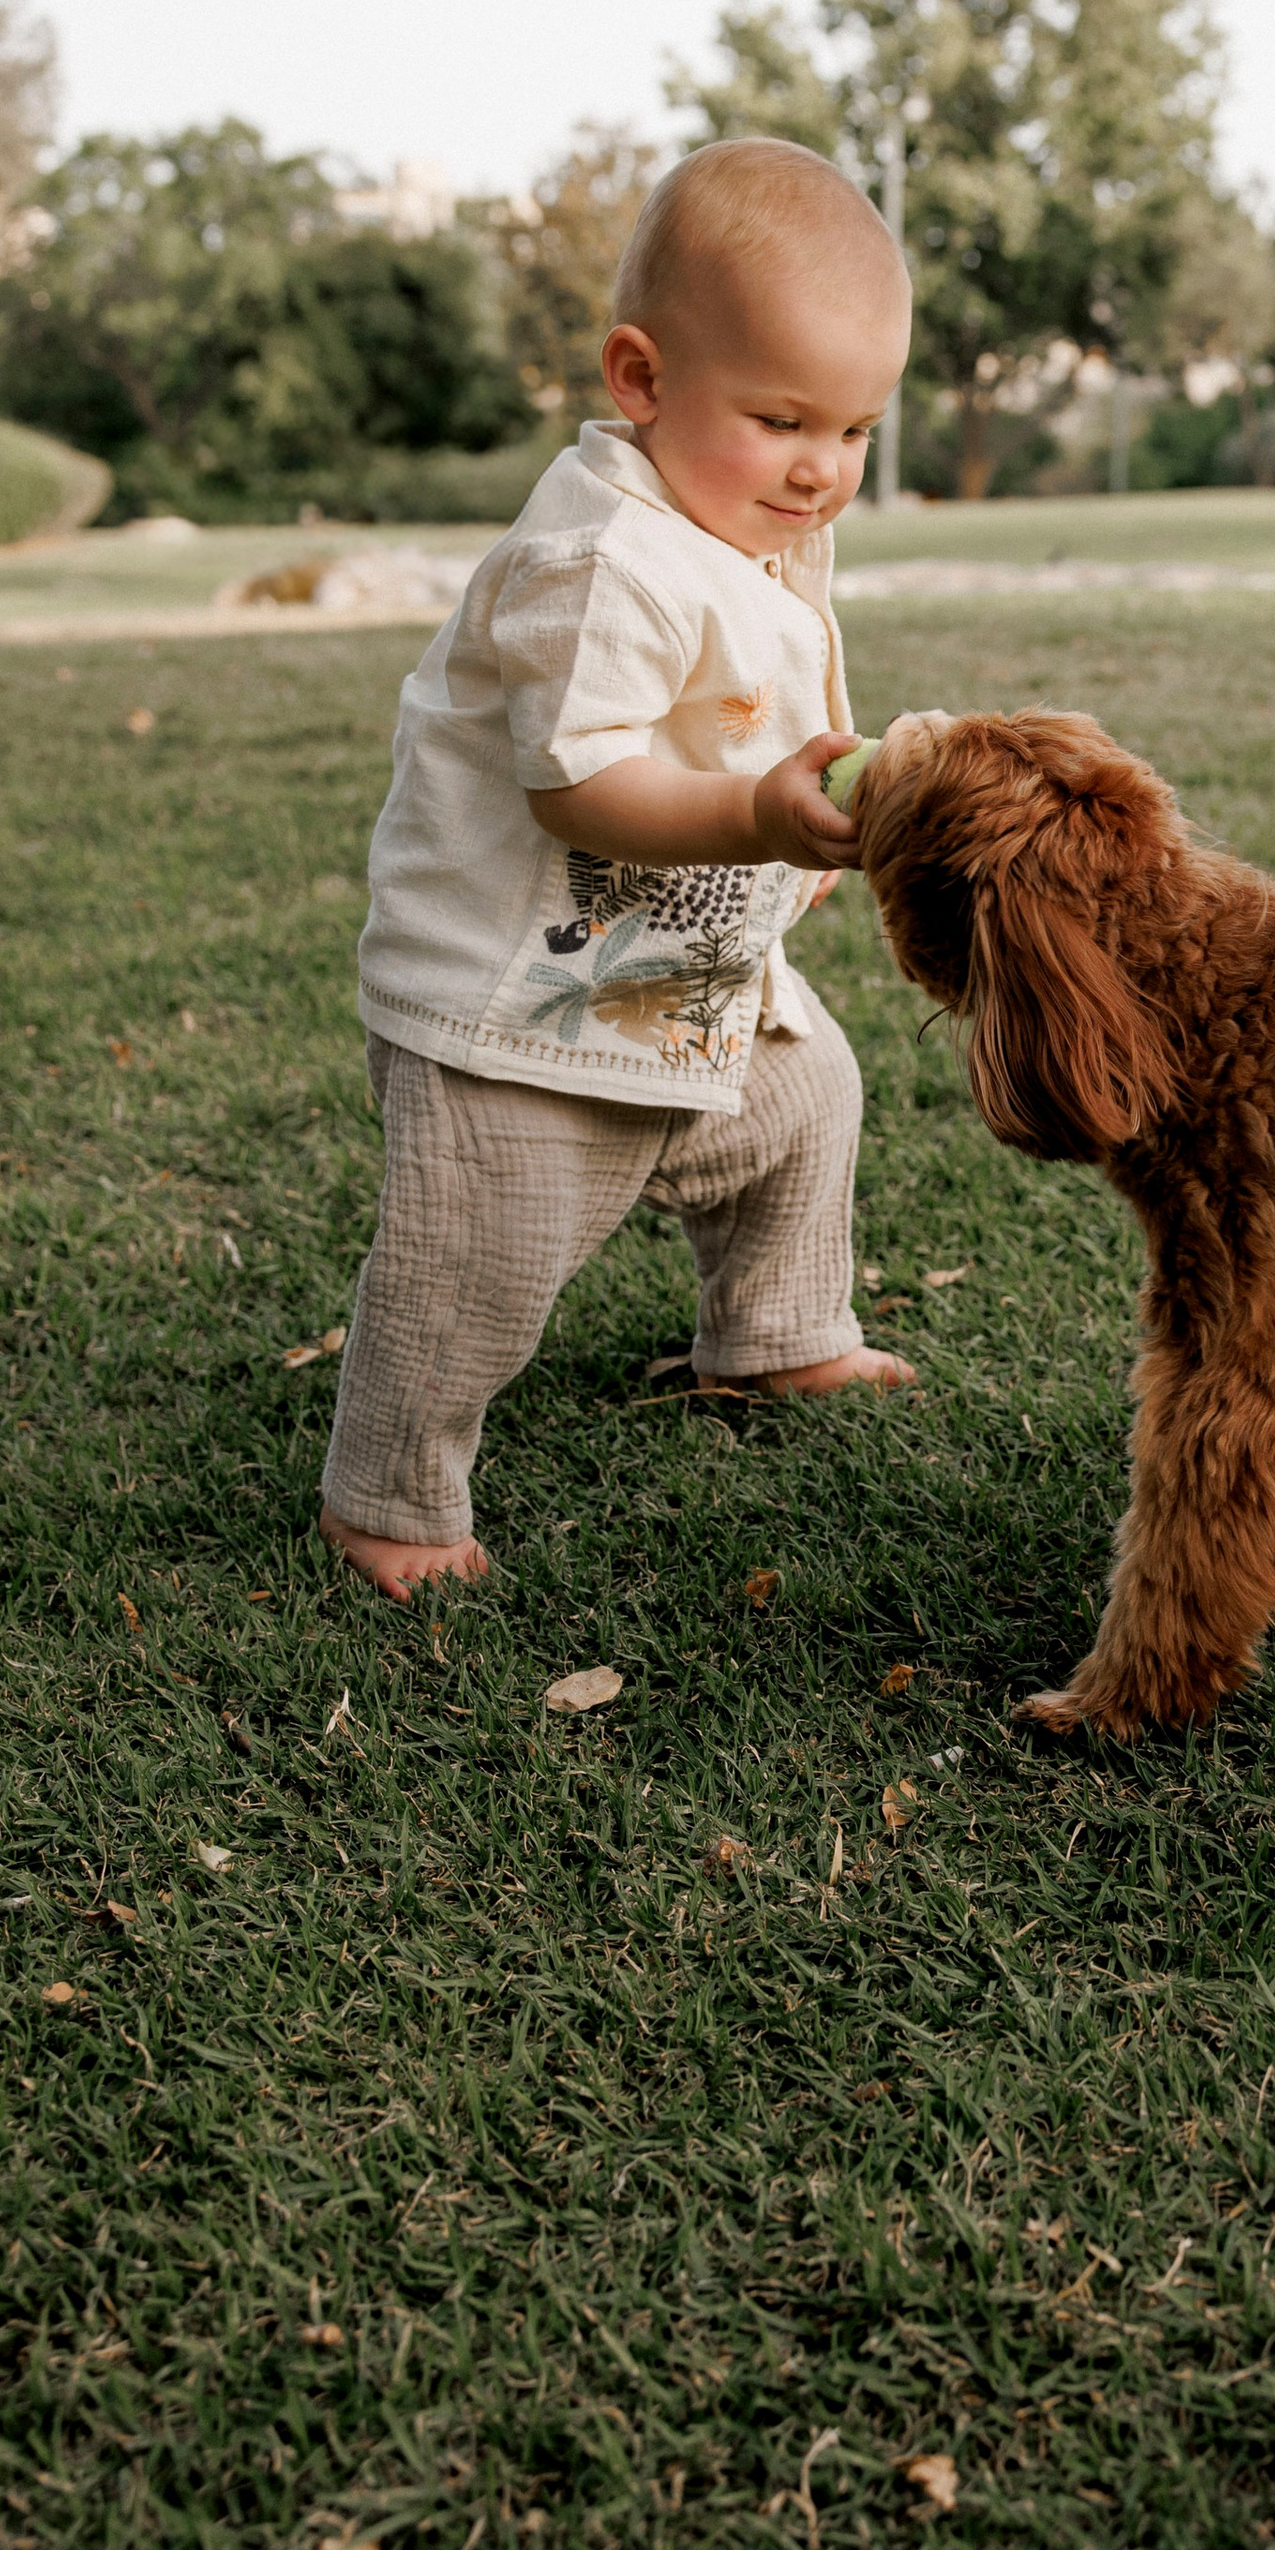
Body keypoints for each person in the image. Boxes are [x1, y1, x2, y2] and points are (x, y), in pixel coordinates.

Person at [318, 136, 911, 1602]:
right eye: (781, 418)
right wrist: (751, 822)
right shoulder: (600, 558)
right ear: (639, 380)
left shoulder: (732, 522)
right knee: (482, 1267)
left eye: (855, 431)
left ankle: (774, 1329)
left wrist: (798, 843)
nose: (822, 468)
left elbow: (744, 711)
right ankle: (390, 1494)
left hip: (681, 978)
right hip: (514, 1013)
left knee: (805, 1102)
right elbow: (580, 780)